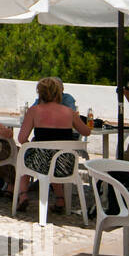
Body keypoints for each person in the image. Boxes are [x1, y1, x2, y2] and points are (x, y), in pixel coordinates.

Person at [16, 77, 92, 211]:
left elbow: (22, 139)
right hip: (65, 163)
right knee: (54, 156)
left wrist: (32, 146)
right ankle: (60, 199)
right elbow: (86, 132)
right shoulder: (70, 112)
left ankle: (23, 195)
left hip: (40, 164)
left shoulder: (34, 111)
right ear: (59, 93)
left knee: (25, 155)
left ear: (40, 93)